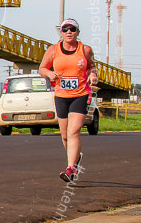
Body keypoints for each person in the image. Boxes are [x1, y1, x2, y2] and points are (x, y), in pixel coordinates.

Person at [38, 18, 98, 182]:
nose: (69, 32)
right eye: (65, 29)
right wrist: (49, 73)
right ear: (61, 32)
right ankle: (76, 158)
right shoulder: (53, 50)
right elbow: (42, 68)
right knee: (65, 135)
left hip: (81, 94)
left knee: (74, 131)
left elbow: (91, 66)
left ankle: (71, 168)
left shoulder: (85, 50)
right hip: (61, 96)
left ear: (78, 32)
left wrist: (92, 74)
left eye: (72, 29)